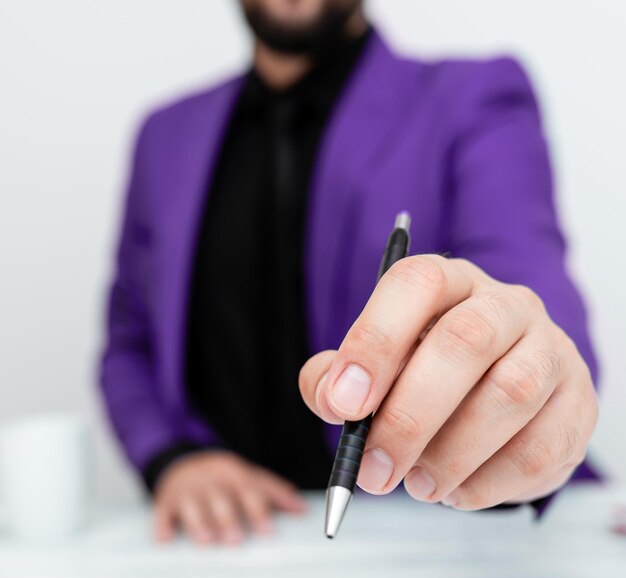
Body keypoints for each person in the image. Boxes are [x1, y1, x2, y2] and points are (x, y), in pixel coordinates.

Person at [100, 0, 600, 546]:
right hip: (232, 544)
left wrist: (534, 374)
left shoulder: (473, 99)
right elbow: (129, 341)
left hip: (440, 537)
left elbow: (532, 292)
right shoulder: (165, 135)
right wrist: (172, 459)